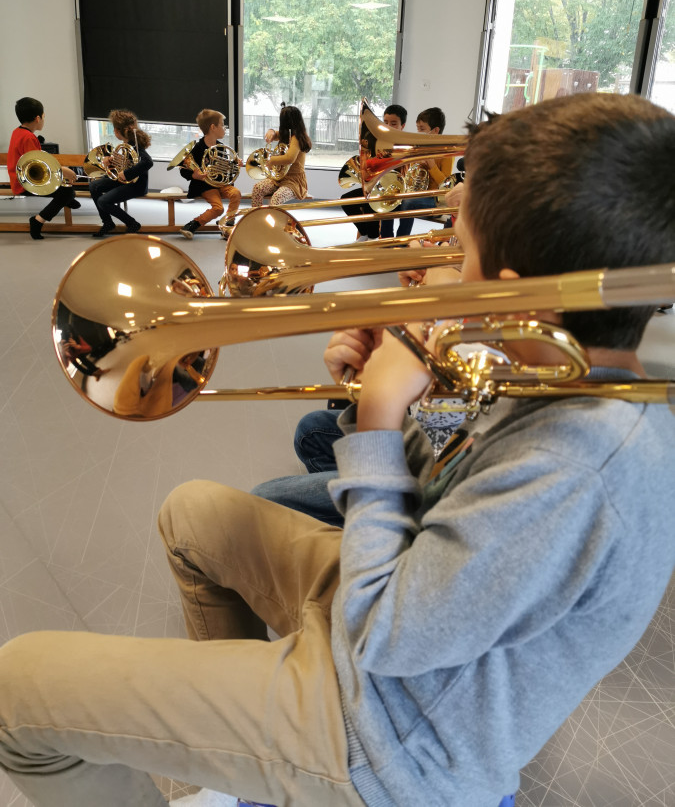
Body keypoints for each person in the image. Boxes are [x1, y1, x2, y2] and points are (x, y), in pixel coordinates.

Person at [1, 93, 674, 807]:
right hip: (388, 631)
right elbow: (446, 484)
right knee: (191, 515)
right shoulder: (551, 365)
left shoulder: (583, 465)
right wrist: (384, 393)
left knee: (15, 693)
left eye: (458, 244)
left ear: (518, 298)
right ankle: (235, 759)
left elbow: (389, 635)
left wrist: (383, 417)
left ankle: (270, 750)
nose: (442, 256)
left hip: (391, 742)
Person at [7, 96, 80, 240]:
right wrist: (64, 171)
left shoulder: (18, 132)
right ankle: (37, 221)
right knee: (67, 192)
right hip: (24, 184)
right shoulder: (29, 138)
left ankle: (68, 199)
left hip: (19, 179)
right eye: (44, 116)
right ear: (38, 118)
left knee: (65, 189)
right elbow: (40, 165)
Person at [340, 103, 408, 241]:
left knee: (371, 200)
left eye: (393, 123)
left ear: (403, 126)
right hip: (379, 187)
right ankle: (366, 233)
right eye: (385, 122)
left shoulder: (405, 145)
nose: (388, 126)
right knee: (346, 200)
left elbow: (401, 173)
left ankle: (373, 237)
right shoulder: (379, 142)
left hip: (395, 192)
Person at [388, 106, 455, 239]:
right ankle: (385, 238)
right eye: (418, 129)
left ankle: (401, 240)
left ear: (435, 130)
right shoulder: (419, 148)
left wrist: (431, 166)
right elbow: (412, 177)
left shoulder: (447, 152)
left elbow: (445, 185)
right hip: (418, 195)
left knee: (408, 203)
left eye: (422, 129)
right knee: (388, 198)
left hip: (435, 200)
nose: (418, 133)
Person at [179, 109, 242, 240]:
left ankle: (227, 224)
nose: (225, 128)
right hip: (205, 185)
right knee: (218, 208)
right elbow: (183, 169)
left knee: (236, 193)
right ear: (213, 127)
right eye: (222, 125)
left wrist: (234, 165)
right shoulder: (197, 148)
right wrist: (194, 176)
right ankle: (192, 224)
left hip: (221, 183)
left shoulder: (221, 147)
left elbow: (226, 170)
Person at [90, 109, 153, 237]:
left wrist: (127, 174)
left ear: (119, 130)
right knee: (94, 186)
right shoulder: (126, 143)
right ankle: (107, 222)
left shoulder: (134, 145)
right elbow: (125, 164)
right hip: (125, 181)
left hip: (137, 185)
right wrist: (111, 162)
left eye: (114, 129)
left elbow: (148, 162)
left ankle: (132, 223)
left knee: (103, 201)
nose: (113, 131)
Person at [249, 104, 311, 208]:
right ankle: (256, 217)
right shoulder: (286, 134)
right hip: (278, 179)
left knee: (277, 198)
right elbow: (274, 134)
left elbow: (289, 158)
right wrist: (271, 131)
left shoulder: (296, 138)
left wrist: (271, 160)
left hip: (293, 181)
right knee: (257, 189)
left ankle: (273, 222)